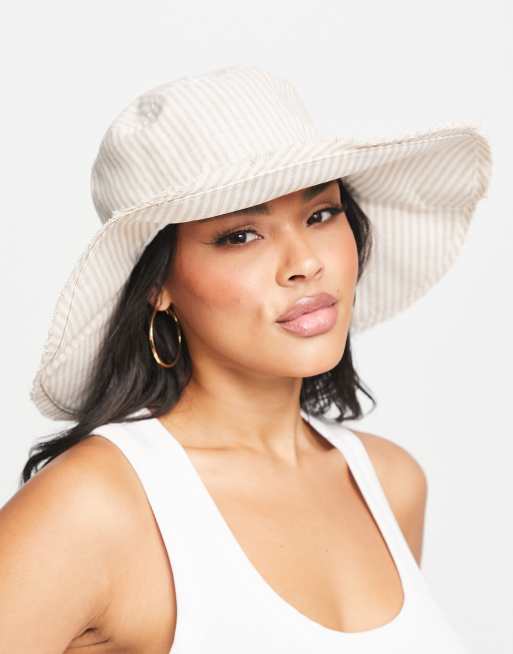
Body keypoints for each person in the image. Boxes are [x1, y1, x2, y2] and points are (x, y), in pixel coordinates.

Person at [1, 65, 491, 652]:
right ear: (159, 284)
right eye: (241, 235)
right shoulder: (95, 507)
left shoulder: (391, 483)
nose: (304, 262)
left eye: (321, 214)